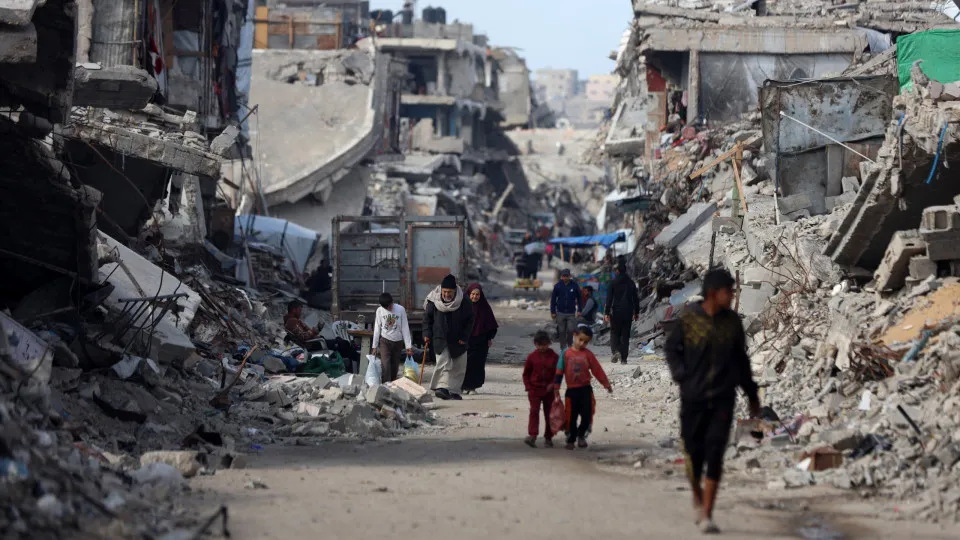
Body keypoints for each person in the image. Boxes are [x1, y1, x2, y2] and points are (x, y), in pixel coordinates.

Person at [665, 268, 761, 535]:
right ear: (712, 293)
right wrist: (681, 375)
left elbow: (741, 361)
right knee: (693, 454)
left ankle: (707, 513)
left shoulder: (732, 323)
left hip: (723, 398)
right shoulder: (690, 319)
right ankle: (697, 495)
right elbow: (672, 349)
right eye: (728, 291)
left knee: (716, 453)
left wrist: (752, 394)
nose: (732, 296)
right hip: (693, 398)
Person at [554, 326, 611, 450]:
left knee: (587, 414)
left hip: (585, 390)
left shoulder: (588, 354)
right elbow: (559, 371)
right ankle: (571, 439)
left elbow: (597, 370)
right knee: (571, 416)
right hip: (571, 391)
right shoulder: (566, 353)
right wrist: (556, 387)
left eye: (586, 342)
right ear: (574, 335)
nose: (582, 343)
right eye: (580, 340)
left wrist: (606, 384)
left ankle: (581, 436)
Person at [425, 274, 475, 401]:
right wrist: (426, 334)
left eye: (450, 292)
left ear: (455, 291)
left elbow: (470, 320)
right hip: (440, 337)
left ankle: (453, 391)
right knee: (443, 362)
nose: (447, 294)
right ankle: (441, 387)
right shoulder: (433, 300)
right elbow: (427, 318)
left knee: (459, 366)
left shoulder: (464, 300)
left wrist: (464, 336)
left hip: (458, 338)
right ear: (441, 290)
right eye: (445, 291)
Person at [523, 330, 559, 448]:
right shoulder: (531, 357)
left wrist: (553, 384)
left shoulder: (555, 357)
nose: (542, 347)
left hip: (549, 391)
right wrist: (528, 387)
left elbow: (558, 374)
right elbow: (526, 374)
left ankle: (548, 437)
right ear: (536, 344)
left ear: (549, 343)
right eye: (540, 345)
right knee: (534, 411)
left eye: (545, 344)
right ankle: (532, 436)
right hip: (534, 390)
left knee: (549, 414)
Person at [463, 284, 498, 394]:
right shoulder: (463, 306)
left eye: (477, 294)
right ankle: (462, 386)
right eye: (472, 294)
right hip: (464, 340)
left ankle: (472, 387)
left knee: (477, 365)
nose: (474, 296)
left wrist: (489, 338)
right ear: (469, 294)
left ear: (481, 295)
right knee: (463, 364)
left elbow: (491, 325)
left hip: (480, 342)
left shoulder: (484, 307)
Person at [372, 292, 413, 384]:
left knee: (394, 367)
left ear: (392, 302)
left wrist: (408, 346)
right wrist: (374, 346)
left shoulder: (400, 309)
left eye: (390, 306)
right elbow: (377, 328)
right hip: (385, 341)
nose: (389, 309)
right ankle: (385, 386)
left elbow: (405, 327)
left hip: (398, 342)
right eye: (386, 308)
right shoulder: (379, 311)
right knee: (385, 366)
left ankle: (393, 385)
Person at [604, 261, 640, 364]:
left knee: (615, 333)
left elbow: (609, 299)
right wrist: (636, 312)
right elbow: (635, 299)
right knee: (625, 334)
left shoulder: (613, 283)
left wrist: (606, 313)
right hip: (628, 312)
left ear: (617, 271)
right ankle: (624, 359)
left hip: (616, 312)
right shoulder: (631, 283)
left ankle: (615, 351)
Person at [550, 269, 581, 349]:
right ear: (561, 277)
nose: (565, 278)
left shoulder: (574, 285)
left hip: (571, 312)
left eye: (567, 276)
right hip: (560, 312)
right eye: (564, 276)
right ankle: (562, 347)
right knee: (561, 331)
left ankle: (570, 345)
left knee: (570, 330)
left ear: (569, 276)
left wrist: (579, 310)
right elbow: (553, 300)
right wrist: (553, 312)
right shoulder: (557, 286)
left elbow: (579, 298)